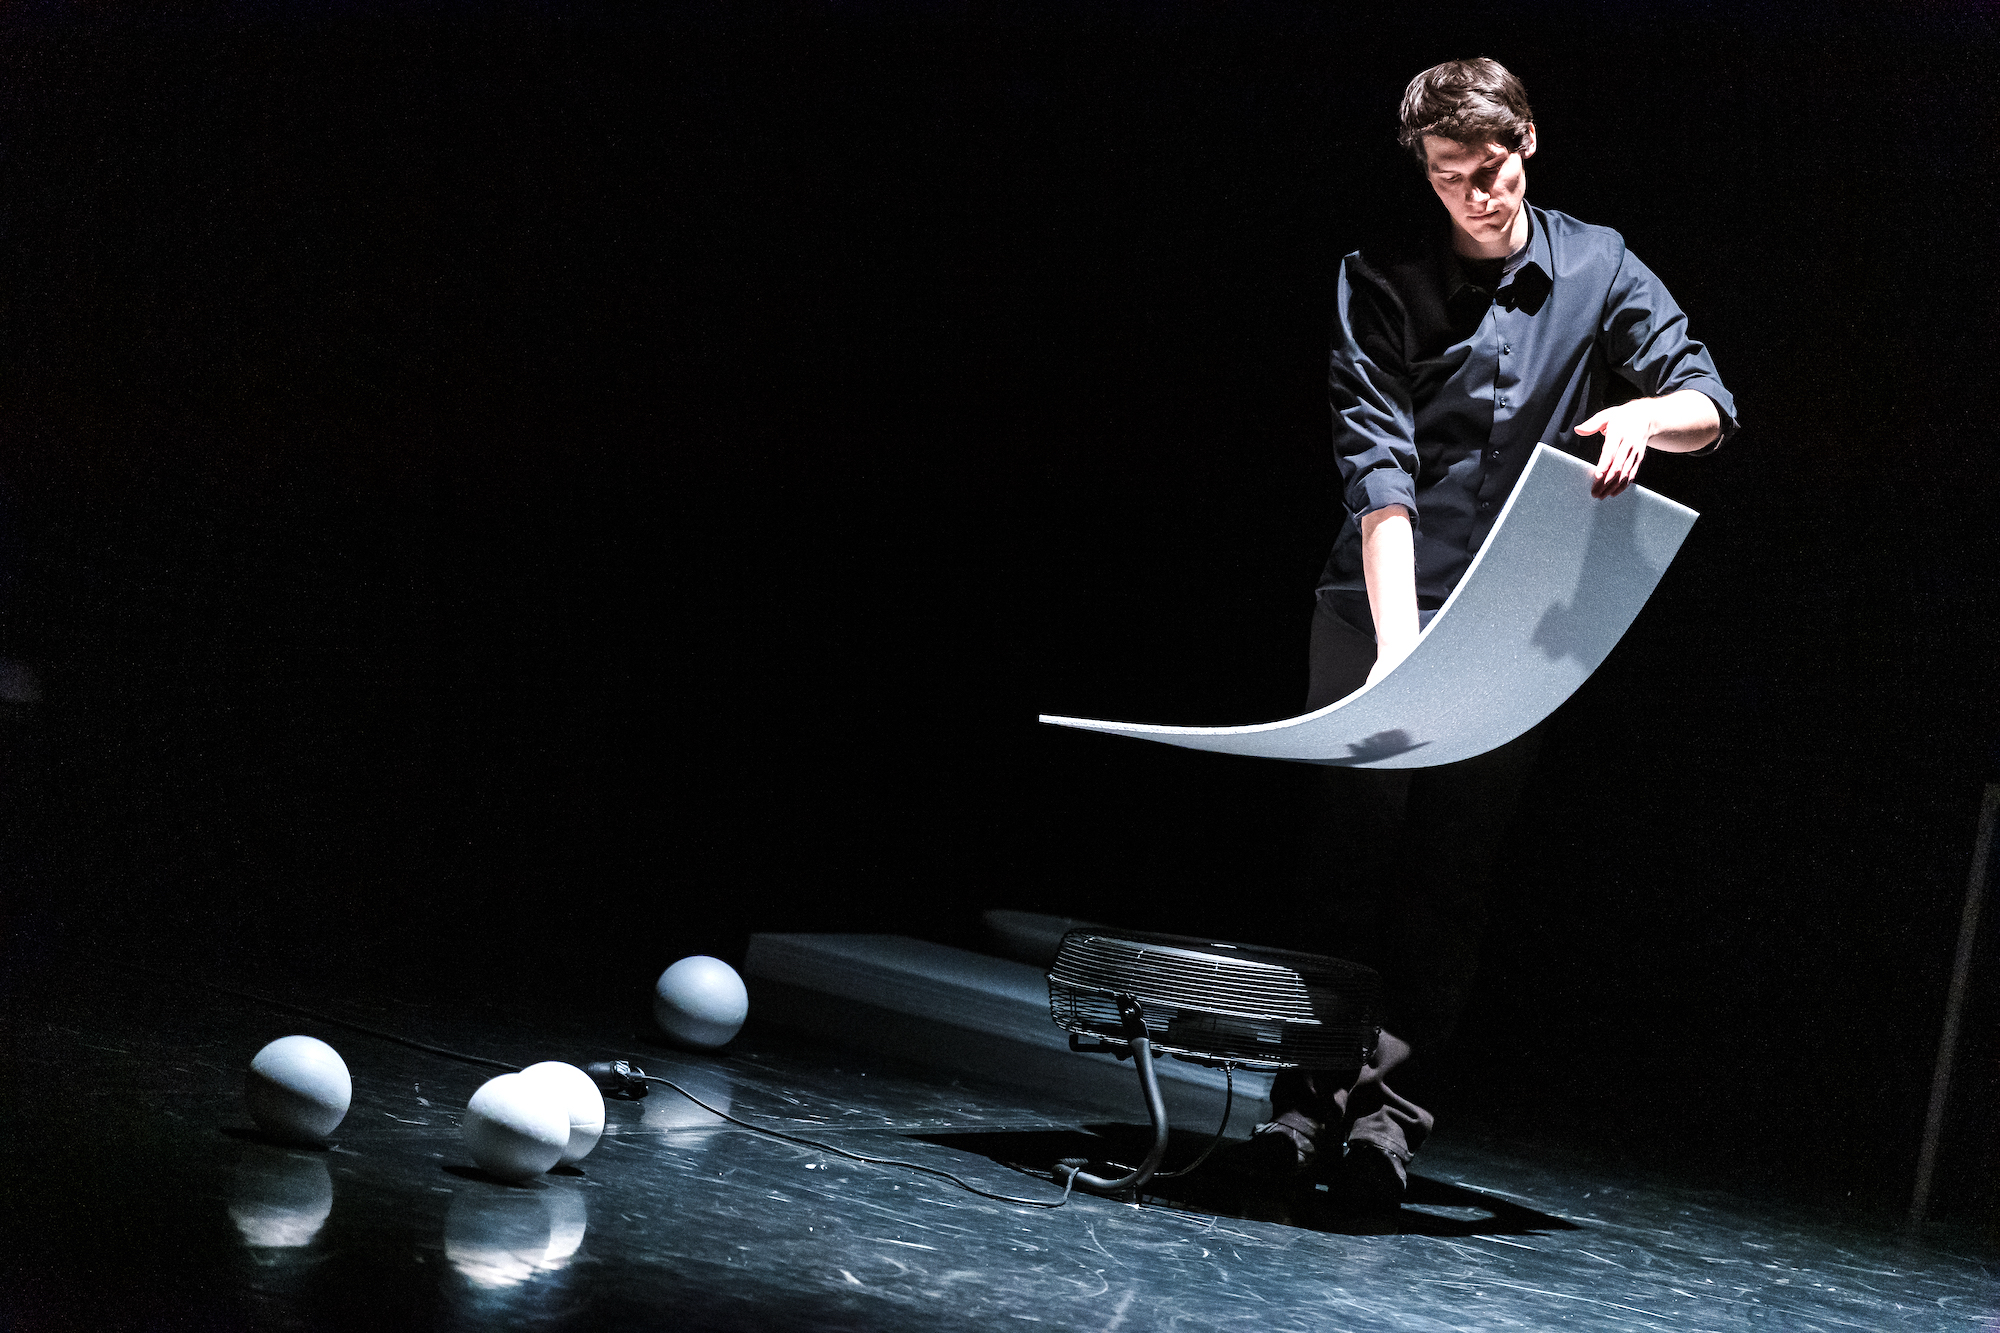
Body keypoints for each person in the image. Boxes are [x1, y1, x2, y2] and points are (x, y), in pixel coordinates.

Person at [1244, 57, 1738, 1208]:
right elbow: (1377, 472)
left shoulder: (1596, 264)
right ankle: (1297, 1112)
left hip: (1510, 624)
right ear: (1422, 171)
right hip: (1377, 610)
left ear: (1526, 144)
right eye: (1448, 174)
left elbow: (1707, 402)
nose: (1475, 193)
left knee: (1448, 876)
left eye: (1492, 166)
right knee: (1344, 866)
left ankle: (1385, 1126)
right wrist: (1397, 658)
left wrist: (1642, 415)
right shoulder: (1375, 278)